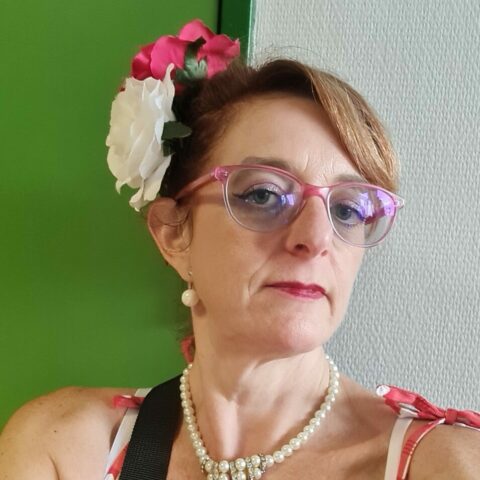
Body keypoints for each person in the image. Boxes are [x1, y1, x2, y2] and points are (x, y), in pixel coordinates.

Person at [1, 19, 479, 480]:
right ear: (174, 235)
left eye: (348, 209)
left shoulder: (447, 464)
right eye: (264, 195)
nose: (316, 238)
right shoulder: (63, 450)